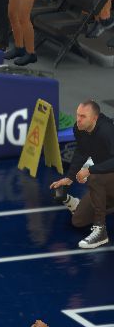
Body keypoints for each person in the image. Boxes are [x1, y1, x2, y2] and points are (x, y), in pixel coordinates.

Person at [53, 99, 114, 249]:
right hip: (108, 180)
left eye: (83, 116)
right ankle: (80, 204)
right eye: (77, 115)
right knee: (78, 221)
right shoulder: (80, 128)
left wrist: (89, 170)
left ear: (94, 118)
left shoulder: (107, 131)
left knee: (95, 178)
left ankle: (101, 231)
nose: (78, 119)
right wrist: (69, 178)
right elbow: (81, 151)